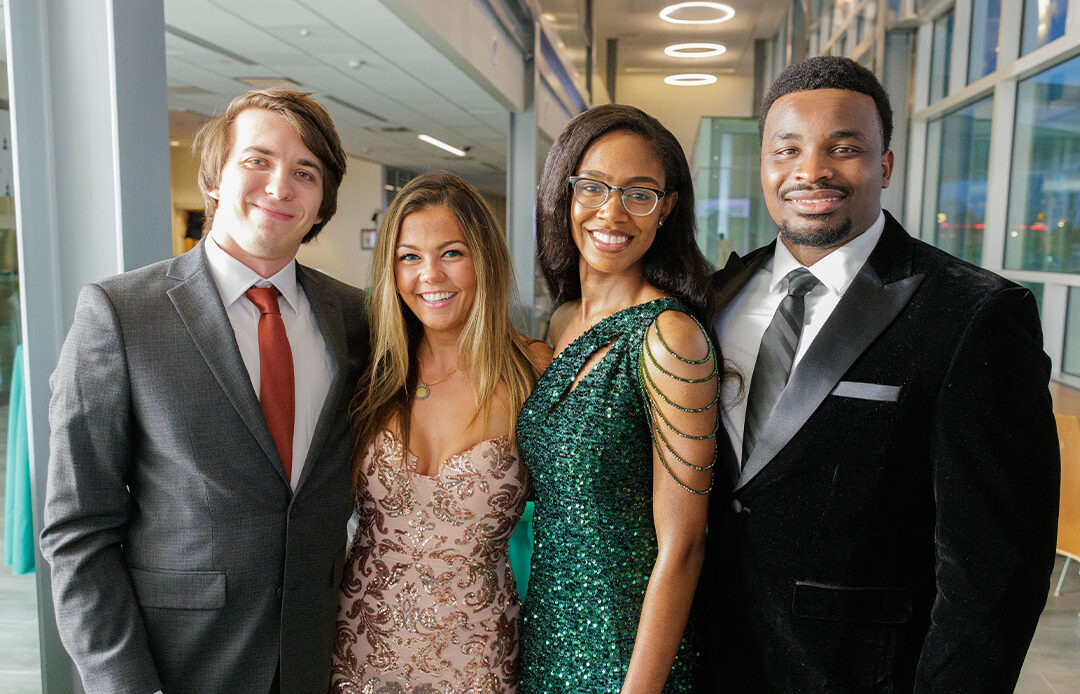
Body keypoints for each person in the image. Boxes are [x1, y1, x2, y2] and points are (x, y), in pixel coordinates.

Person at [703, 55, 1060, 692]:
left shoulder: (974, 313)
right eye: (787, 150)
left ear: (886, 164)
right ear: (763, 163)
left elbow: (996, 570)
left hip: (863, 673)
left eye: (844, 148)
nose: (811, 171)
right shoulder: (714, 297)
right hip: (706, 661)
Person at [41, 89, 370, 694]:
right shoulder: (121, 313)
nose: (280, 186)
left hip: (320, 659)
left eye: (306, 172)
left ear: (322, 204)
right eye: (257, 160)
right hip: (179, 665)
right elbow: (78, 530)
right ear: (216, 176)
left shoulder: (356, 319)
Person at [516, 104, 721, 693]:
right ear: (564, 193)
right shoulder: (559, 324)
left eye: (639, 193)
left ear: (667, 209)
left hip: (629, 654)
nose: (612, 212)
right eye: (594, 187)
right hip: (549, 635)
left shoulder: (670, 336)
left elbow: (683, 545)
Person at [329, 172, 551, 693]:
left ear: (485, 260)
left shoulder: (533, 370)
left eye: (451, 253)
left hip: (476, 658)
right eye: (409, 257)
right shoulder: (369, 371)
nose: (430, 275)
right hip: (360, 649)